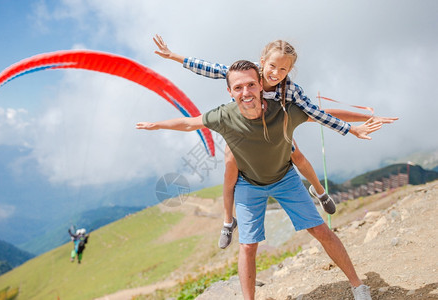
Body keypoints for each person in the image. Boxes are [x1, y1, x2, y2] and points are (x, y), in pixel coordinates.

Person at [136, 60, 393, 299]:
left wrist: (366, 118)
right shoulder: (223, 116)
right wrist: (157, 125)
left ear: (260, 85)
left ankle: (358, 285)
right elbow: (189, 123)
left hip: (285, 178)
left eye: (250, 84)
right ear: (230, 91)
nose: (245, 91)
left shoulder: (285, 111)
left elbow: (323, 114)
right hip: (249, 185)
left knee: (321, 230)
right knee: (248, 246)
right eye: (238, 87)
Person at [153, 35, 398, 249]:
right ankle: (228, 221)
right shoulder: (249, 74)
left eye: (283, 70)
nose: (276, 73)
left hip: (275, 131)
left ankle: (320, 192)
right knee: (230, 169)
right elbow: (210, 68)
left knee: (297, 156)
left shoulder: (290, 90)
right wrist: (173, 56)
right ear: (262, 62)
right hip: (244, 132)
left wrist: (351, 128)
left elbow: (317, 113)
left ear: (289, 71)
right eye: (272, 66)